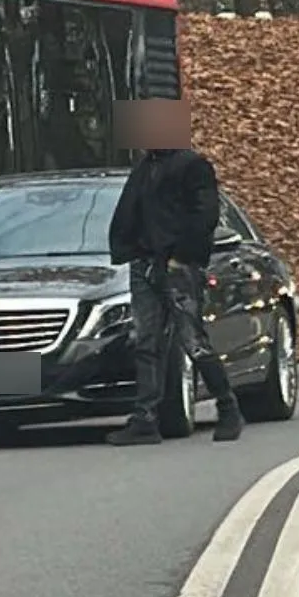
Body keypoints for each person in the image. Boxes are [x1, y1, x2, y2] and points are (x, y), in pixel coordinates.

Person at [104, 97, 243, 446]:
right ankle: (145, 419)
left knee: (192, 339)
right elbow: (129, 212)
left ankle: (228, 408)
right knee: (146, 341)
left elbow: (205, 214)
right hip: (146, 263)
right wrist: (130, 251)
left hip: (178, 265)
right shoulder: (144, 168)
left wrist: (182, 256)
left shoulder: (192, 166)